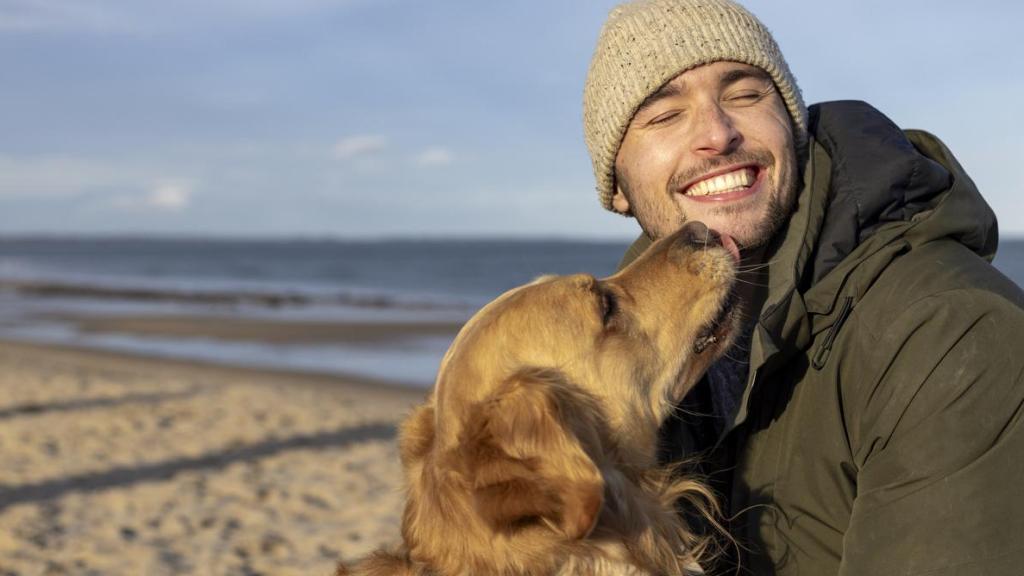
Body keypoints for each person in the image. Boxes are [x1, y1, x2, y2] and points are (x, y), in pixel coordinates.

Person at [581, 1, 1024, 574]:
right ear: (616, 186)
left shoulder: (950, 333)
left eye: (744, 94)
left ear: (792, 122)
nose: (716, 134)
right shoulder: (624, 358)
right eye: (665, 116)